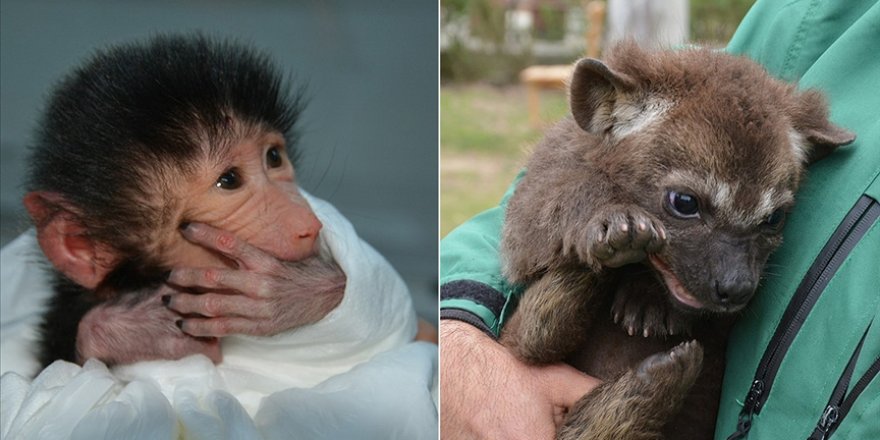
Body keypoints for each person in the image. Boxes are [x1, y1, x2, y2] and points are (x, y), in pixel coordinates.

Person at [439, 0, 880, 439]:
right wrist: (460, 328)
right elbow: (519, 236)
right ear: (602, 106)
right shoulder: (819, 16)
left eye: (771, 221)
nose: (737, 280)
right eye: (685, 204)